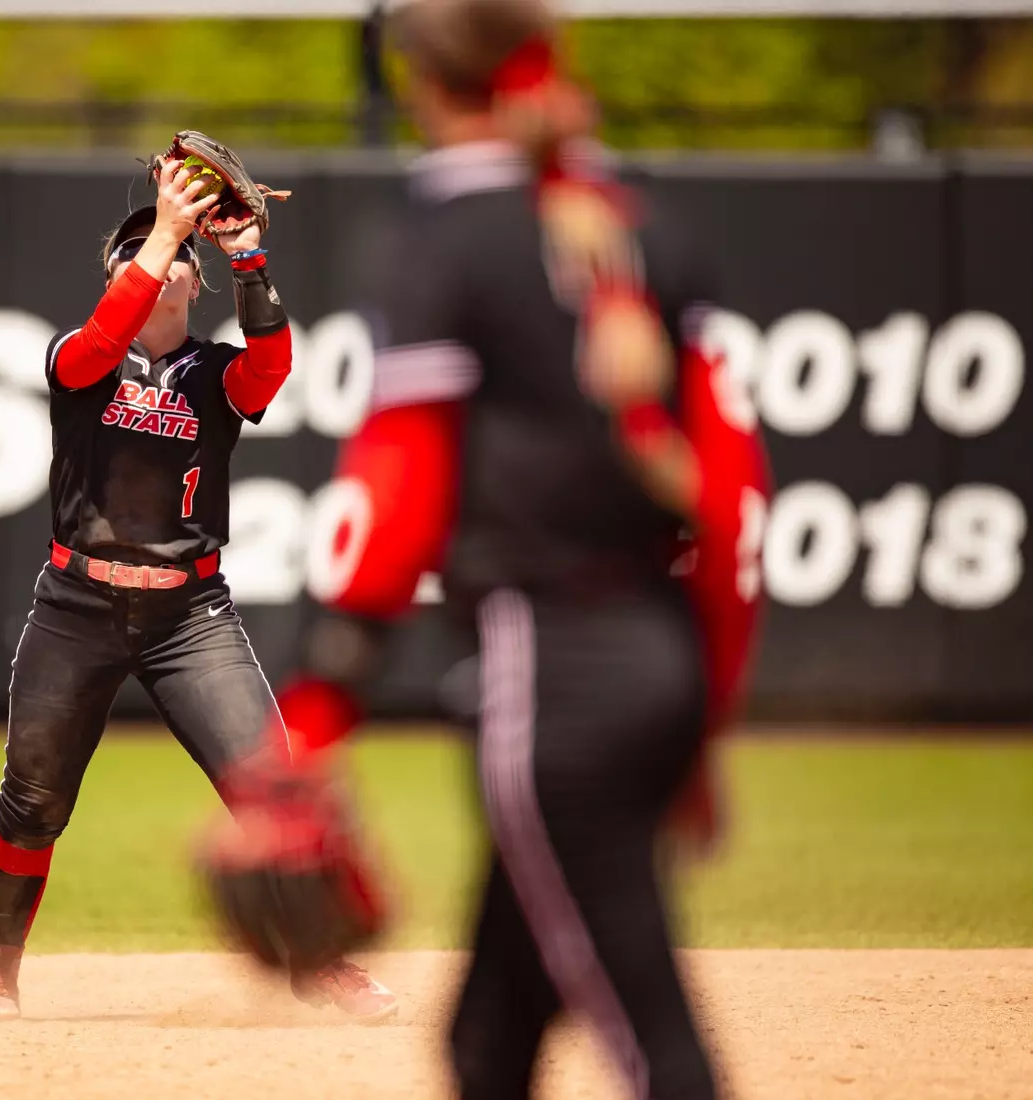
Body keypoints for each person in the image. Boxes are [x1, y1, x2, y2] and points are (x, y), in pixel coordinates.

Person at [254, 0, 771, 1096]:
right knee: (487, 1040)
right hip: (656, 653)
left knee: (657, 1047)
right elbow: (735, 500)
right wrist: (705, 713)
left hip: (551, 676)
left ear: (418, 80)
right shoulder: (646, 229)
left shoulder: (445, 239)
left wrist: (313, 716)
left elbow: (396, 493)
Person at [0, 160, 397, 1023]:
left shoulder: (215, 375)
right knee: (34, 798)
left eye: (169, 258)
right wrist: (163, 231)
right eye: (137, 258)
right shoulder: (78, 357)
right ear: (123, 276)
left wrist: (246, 257)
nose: (157, 268)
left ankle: (323, 961)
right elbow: (100, 335)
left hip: (189, 615)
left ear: (193, 283)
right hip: (77, 606)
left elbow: (270, 369)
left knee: (270, 790)